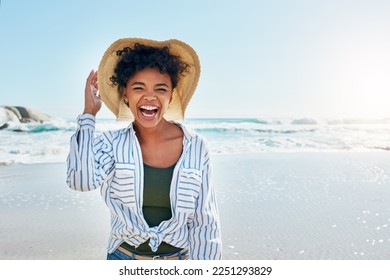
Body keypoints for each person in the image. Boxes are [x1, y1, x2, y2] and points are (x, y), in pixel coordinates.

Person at [66, 38, 222, 260]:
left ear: (171, 95)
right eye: (139, 88)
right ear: (126, 95)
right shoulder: (111, 144)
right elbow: (80, 181)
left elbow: (205, 222)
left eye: (161, 89)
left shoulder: (196, 146)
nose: (150, 97)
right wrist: (89, 114)